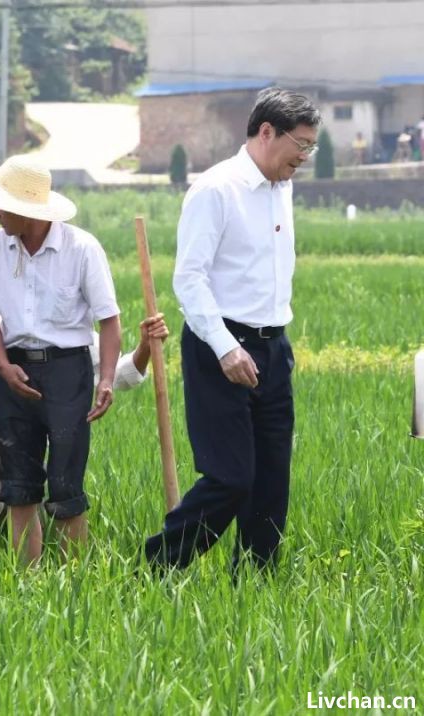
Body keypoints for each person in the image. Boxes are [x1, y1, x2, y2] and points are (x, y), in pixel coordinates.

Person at [143, 87, 321, 575]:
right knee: (231, 477)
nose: (305, 157)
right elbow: (190, 278)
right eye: (301, 145)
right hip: (218, 346)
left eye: (311, 148)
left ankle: (255, 582)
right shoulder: (216, 189)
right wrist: (225, 348)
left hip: (272, 347)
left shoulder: (281, 186)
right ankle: (156, 567)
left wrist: (276, 345)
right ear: (267, 132)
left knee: (271, 480)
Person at [0, 154, 122, 566]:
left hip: (68, 371)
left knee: (67, 482)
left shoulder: (81, 248)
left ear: (25, 210)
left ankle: (75, 583)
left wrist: (105, 380)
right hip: (13, 367)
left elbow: (109, 320)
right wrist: (3, 366)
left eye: (1, 206)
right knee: (19, 482)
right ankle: (26, 583)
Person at [0, 315, 169, 574]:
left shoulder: (68, 331)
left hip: (27, 451)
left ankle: (21, 582)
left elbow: (120, 375)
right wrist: (14, 358)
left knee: (43, 520)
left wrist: (145, 346)